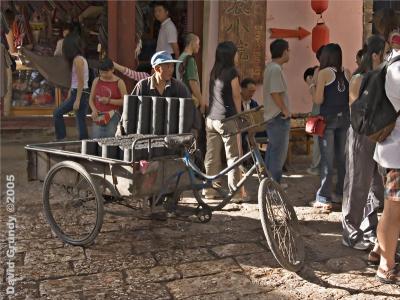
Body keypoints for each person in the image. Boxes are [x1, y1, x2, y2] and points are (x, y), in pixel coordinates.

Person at [342, 36, 386, 251]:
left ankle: (370, 226)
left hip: (379, 135)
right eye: (385, 53)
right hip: (361, 134)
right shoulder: (359, 77)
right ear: (376, 55)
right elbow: (356, 108)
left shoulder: (382, 76)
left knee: (376, 184)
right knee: (358, 183)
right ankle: (350, 231)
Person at [372, 19, 400, 284]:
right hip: (397, 152)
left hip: (393, 149)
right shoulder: (397, 69)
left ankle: (381, 250)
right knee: (393, 210)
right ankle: (386, 264)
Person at [308, 43, 351, 210]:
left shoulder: (324, 73)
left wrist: (311, 85)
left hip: (328, 119)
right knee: (341, 158)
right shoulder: (346, 72)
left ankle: (324, 197)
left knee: (327, 158)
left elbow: (318, 100)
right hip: (344, 117)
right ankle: (340, 193)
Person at [263, 39, 291, 185]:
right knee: (278, 154)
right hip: (277, 117)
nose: (289, 53)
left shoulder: (271, 67)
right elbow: (275, 93)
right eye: (289, 50)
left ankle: (268, 183)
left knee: (272, 151)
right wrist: (285, 110)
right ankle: (274, 185)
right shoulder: (275, 69)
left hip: (273, 117)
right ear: (284, 51)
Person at [53, 33, 89, 141]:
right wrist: (70, 90)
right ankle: (84, 142)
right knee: (80, 119)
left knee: (57, 113)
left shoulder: (77, 60)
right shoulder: (79, 59)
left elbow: (81, 81)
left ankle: (61, 138)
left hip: (79, 93)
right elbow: (77, 80)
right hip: (81, 92)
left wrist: (77, 99)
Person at [89, 58, 127, 138]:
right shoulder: (96, 80)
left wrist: (109, 101)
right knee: (96, 140)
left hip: (113, 116)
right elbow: (91, 99)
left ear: (112, 69)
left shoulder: (119, 82)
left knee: (110, 141)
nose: (103, 75)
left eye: (106, 72)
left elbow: (125, 101)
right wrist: (94, 110)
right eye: (101, 72)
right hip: (98, 115)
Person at [304, 66, 321, 176]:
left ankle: (316, 168)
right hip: (319, 114)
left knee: (317, 144)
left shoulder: (316, 83)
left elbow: (316, 100)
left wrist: (311, 84)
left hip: (319, 115)